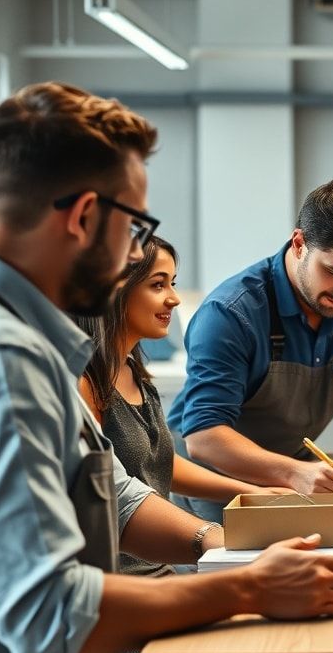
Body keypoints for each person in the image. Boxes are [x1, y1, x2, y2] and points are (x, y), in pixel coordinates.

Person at [0, 83, 333, 653]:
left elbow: (116, 490)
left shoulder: (32, 340)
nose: (136, 255)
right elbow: (49, 615)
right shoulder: (3, 357)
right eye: (137, 228)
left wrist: (228, 549)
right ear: (84, 217)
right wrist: (249, 589)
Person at [168, 178, 333, 522]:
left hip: (292, 473)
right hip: (216, 483)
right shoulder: (230, 314)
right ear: (299, 243)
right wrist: (292, 473)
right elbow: (205, 437)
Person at [73, 234, 287, 577]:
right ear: (115, 290)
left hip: (158, 565)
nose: (173, 299)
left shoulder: (133, 372)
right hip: (123, 578)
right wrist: (211, 536)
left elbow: (161, 464)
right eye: (157, 285)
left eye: (172, 284)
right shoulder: (85, 385)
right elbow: (116, 496)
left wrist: (251, 491)